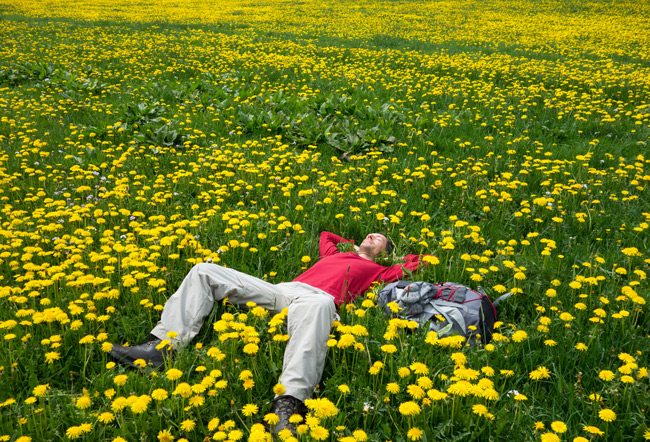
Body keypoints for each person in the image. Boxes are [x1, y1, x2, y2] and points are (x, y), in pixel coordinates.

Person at [109, 231, 428, 435]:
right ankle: (161, 347)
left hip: (319, 302)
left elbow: (420, 262)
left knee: (319, 305)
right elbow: (325, 235)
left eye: (381, 239)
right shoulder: (333, 254)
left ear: (386, 253)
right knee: (205, 270)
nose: (375, 235)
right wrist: (353, 245)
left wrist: (389, 257)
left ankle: (288, 405)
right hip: (282, 292)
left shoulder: (382, 271)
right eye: (371, 234)